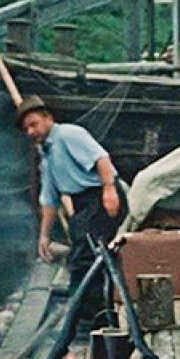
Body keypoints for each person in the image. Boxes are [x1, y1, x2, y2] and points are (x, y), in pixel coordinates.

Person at [17, 95, 125, 325]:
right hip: (82, 203)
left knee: (88, 256)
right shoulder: (45, 155)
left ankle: (94, 319)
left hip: (102, 194)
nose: (30, 132)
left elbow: (101, 159)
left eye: (34, 124)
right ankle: (87, 314)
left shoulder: (69, 134)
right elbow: (49, 199)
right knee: (81, 253)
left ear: (48, 119)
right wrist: (44, 235)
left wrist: (109, 190)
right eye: (26, 128)